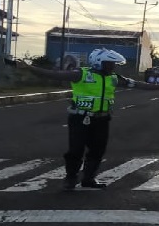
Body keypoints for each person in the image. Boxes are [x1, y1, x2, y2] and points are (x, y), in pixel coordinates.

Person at [19, 48, 132, 191]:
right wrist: (30, 68)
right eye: (110, 63)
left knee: (98, 150)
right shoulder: (81, 74)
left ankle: (88, 179)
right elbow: (55, 75)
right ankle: (70, 178)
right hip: (80, 118)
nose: (113, 66)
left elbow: (136, 84)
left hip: (102, 120)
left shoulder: (114, 77)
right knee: (76, 149)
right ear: (99, 63)